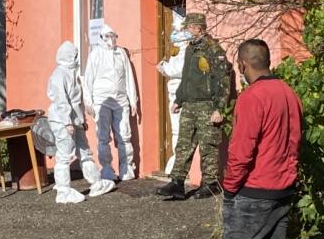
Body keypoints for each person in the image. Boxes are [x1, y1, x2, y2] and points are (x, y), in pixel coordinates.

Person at [218, 39, 302, 239]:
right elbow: (295, 142)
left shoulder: (251, 97)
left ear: (243, 65)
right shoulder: (289, 93)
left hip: (254, 191)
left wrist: (230, 188)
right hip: (284, 189)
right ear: (268, 62)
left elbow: (241, 151)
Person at [156, 13, 231, 199]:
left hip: (207, 105)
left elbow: (223, 81)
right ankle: (177, 183)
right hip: (189, 104)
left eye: (189, 27)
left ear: (199, 28)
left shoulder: (213, 50)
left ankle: (211, 183)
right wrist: (179, 99)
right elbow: (186, 78)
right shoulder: (190, 49)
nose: (187, 31)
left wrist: (219, 108)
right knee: (184, 144)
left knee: (209, 146)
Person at [47, 41, 114, 203]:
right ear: (68, 56)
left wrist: (81, 120)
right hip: (62, 121)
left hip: (74, 121)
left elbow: (77, 101)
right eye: (75, 55)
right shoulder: (59, 75)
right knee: (64, 155)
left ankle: (96, 182)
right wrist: (66, 122)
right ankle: (63, 190)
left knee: (84, 151)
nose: (77, 58)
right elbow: (61, 101)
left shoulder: (71, 73)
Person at [83, 24, 139, 181]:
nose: (112, 39)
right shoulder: (95, 54)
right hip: (102, 100)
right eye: (108, 36)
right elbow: (88, 79)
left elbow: (128, 77)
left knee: (125, 135)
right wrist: (89, 101)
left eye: (114, 36)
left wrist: (132, 100)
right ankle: (107, 168)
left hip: (121, 100)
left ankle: (126, 167)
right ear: (102, 37)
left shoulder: (121, 53)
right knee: (103, 136)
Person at [156, 27, 192, 174]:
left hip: (181, 95)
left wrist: (164, 67)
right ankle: (176, 161)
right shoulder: (176, 52)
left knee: (181, 129)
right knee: (176, 129)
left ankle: (180, 163)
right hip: (174, 93)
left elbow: (177, 70)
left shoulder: (186, 52)